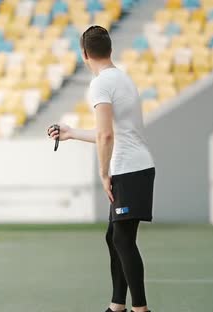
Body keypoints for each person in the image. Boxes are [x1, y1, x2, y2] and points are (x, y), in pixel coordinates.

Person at [48, 26, 155, 312]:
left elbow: (106, 135)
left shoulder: (100, 84)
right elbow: (108, 132)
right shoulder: (121, 78)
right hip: (136, 167)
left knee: (122, 239)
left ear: (84, 54)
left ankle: (140, 309)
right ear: (110, 49)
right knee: (115, 237)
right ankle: (117, 306)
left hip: (128, 170)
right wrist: (71, 133)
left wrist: (103, 173)